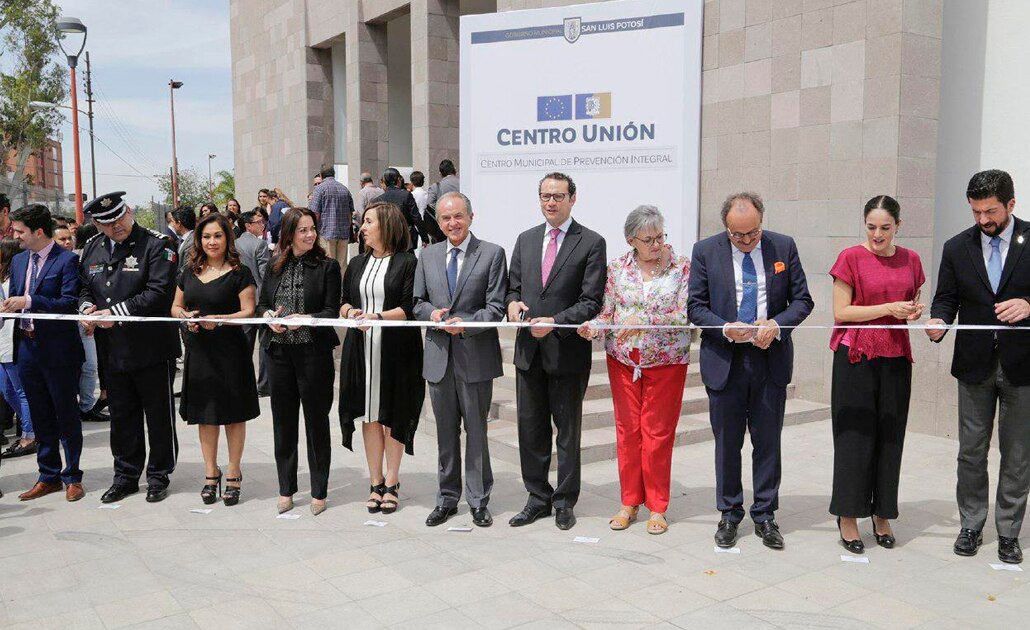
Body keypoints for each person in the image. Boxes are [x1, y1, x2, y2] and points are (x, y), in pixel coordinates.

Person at [687, 192, 813, 550]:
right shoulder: (705, 251)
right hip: (725, 360)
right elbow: (695, 306)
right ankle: (729, 513)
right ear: (726, 228)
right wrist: (725, 328)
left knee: (767, 441)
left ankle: (765, 514)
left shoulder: (783, 247)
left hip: (769, 360)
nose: (746, 241)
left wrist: (777, 324)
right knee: (727, 443)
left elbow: (802, 300)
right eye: (737, 235)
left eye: (753, 233)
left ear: (762, 222)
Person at [927, 169, 1030, 565]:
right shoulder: (957, 247)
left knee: (1017, 455)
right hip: (974, 366)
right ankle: (971, 524)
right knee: (971, 451)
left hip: (1022, 367)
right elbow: (946, 299)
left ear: (1011, 204)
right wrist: (938, 321)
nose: (983, 219)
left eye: (991, 211)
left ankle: (1009, 532)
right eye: (975, 212)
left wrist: (1028, 305)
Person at [579, 206, 691, 535]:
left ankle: (657, 506)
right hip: (624, 360)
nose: (657, 244)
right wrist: (594, 327)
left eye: (660, 237)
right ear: (631, 241)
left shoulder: (682, 267)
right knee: (627, 433)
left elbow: (685, 314)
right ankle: (629, 502)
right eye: (648, 239)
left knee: (657, 435)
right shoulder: (617, 269)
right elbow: (608, 312)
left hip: (667, 360)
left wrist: (644, 320)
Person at [505, 172, 606, 530]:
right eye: (545, 196)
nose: (551, 202)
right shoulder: (526, 239)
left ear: (572, 199)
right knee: (531, 431)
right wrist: (512, 304)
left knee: (567, 433)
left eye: (558, 196)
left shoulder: (591, 242)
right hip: (528, 351)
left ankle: (564, 501)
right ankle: (537, 498)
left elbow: (591, 301)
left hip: (567, 353)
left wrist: (556, 321)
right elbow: (512, 288)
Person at [829, 196, 925, 553]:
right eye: (871, 227)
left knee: (890, 436)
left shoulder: (911, 260)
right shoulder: (850, 257)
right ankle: (848, 516)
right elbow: (841, 312)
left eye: (885, 227)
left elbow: (908, 302)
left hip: (896, 356)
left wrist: (911, 312)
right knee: (854, 437)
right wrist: (887, 308)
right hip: (855, 356)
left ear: (898, 225)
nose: (878, 234)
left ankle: (882, 514)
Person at [79, 191, 181, 504]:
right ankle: (125, 476)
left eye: (120, 217)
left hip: (151, 347)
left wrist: (114, 313)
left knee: (158, 416)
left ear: (129, 211)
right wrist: (86, 308)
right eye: (107, 223)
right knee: (122, 416)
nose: (116, 226)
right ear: (97, 224)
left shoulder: (157, 244)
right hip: (112, 349)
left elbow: (159, 293)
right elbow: (84, 287)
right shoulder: (93, 247)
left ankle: (158, 475)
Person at [413, 192, 507, 527]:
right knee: (445, 433)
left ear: (470, 217)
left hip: (475, 356)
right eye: (445, 218)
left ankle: (479, 500)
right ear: (438, 222)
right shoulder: (428, 255)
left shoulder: (492, 254)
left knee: (476, 432)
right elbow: (417, 302)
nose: (452, 223)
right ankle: (447, 498)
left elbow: (496, 308)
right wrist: (432, 313)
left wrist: (465, 325)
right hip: (439, 358)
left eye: (458, 216)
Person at [339, 201, 424, 515]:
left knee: (393, 415)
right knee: (370, 415)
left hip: (395, 350)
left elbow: (408, 307)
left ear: (386, 225)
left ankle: (392, 481)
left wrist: (376, 316)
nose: (362, 228)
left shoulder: (407, 262)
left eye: (368, 222)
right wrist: (352, 312)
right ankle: (375, 481)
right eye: (363, 222)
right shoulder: (357, 262)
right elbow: (344, 301)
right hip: (361, 350)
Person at [173, 213, 259, 506]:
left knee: (233, 415)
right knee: (205, 416)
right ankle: (211, 473)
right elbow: (175, 306)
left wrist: (219, 320)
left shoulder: (240, 273)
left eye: (218, 236)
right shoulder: (189, 271)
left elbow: (248, 311)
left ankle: (234, 473)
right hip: (199, 352)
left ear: (227, 239)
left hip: (231, 353)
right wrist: (184, 316)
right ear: (199, 240)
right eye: (206, 236)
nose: (212, 241)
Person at [258, 207, 340, 515]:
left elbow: (331, 311)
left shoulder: (327, 266)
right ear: (289, 234)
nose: (309, 235)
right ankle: (286, 488)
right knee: (283, 422)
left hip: (312, 354)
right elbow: (262, 303)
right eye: (302, 230)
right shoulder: (274, 265)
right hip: (279, 353)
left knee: (316, 421)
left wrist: (304, 319)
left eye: (312, 229)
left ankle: (319, 490)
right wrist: (268, 316)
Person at [1, 205, 85, 501]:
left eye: (20, 231)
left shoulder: (67, 260)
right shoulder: (18, 261)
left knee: (65, 414)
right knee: (40, 414)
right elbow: (15, 302)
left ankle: (72, 477)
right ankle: (48, 475)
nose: (15, 235)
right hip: (27, 348)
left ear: (38, 231)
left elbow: (68, 303)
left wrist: (28, 301)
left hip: (58, 351)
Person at [0, 239, 34, 461]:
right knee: (7, 391)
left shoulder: (15, 281)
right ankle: (36, 425)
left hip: (11, 343)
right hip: (1, 344)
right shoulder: (3, 279)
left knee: (21, 391)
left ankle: (30, 435)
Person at [237, 210, 271, 395]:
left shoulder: (233, 244)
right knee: (264, 344)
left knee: (244, 345)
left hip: (240, 301)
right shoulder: (260, 244)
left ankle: (242, 383)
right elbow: (265, 274)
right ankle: (264, 385)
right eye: (258, 222)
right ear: (248, 226)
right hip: (259, 300)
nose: (262, 225)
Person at [308, 166, 355, 274]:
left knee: (327, 265)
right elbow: (350, 214)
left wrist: (313, 230)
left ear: (321, 175)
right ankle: (341, 285)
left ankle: (330, 285)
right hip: (343, 234)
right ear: (334, 174)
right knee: (342, 265)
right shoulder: (344, 189)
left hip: (326, 233)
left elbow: (315, 214)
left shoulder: (319, 189)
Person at [379, 168, 428, 253]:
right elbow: (416, 217)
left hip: (386, 240)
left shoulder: (379, 199)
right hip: (406, 239)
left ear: (384, 181)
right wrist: (424, 237)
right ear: (398, 180)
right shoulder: (406, 195)